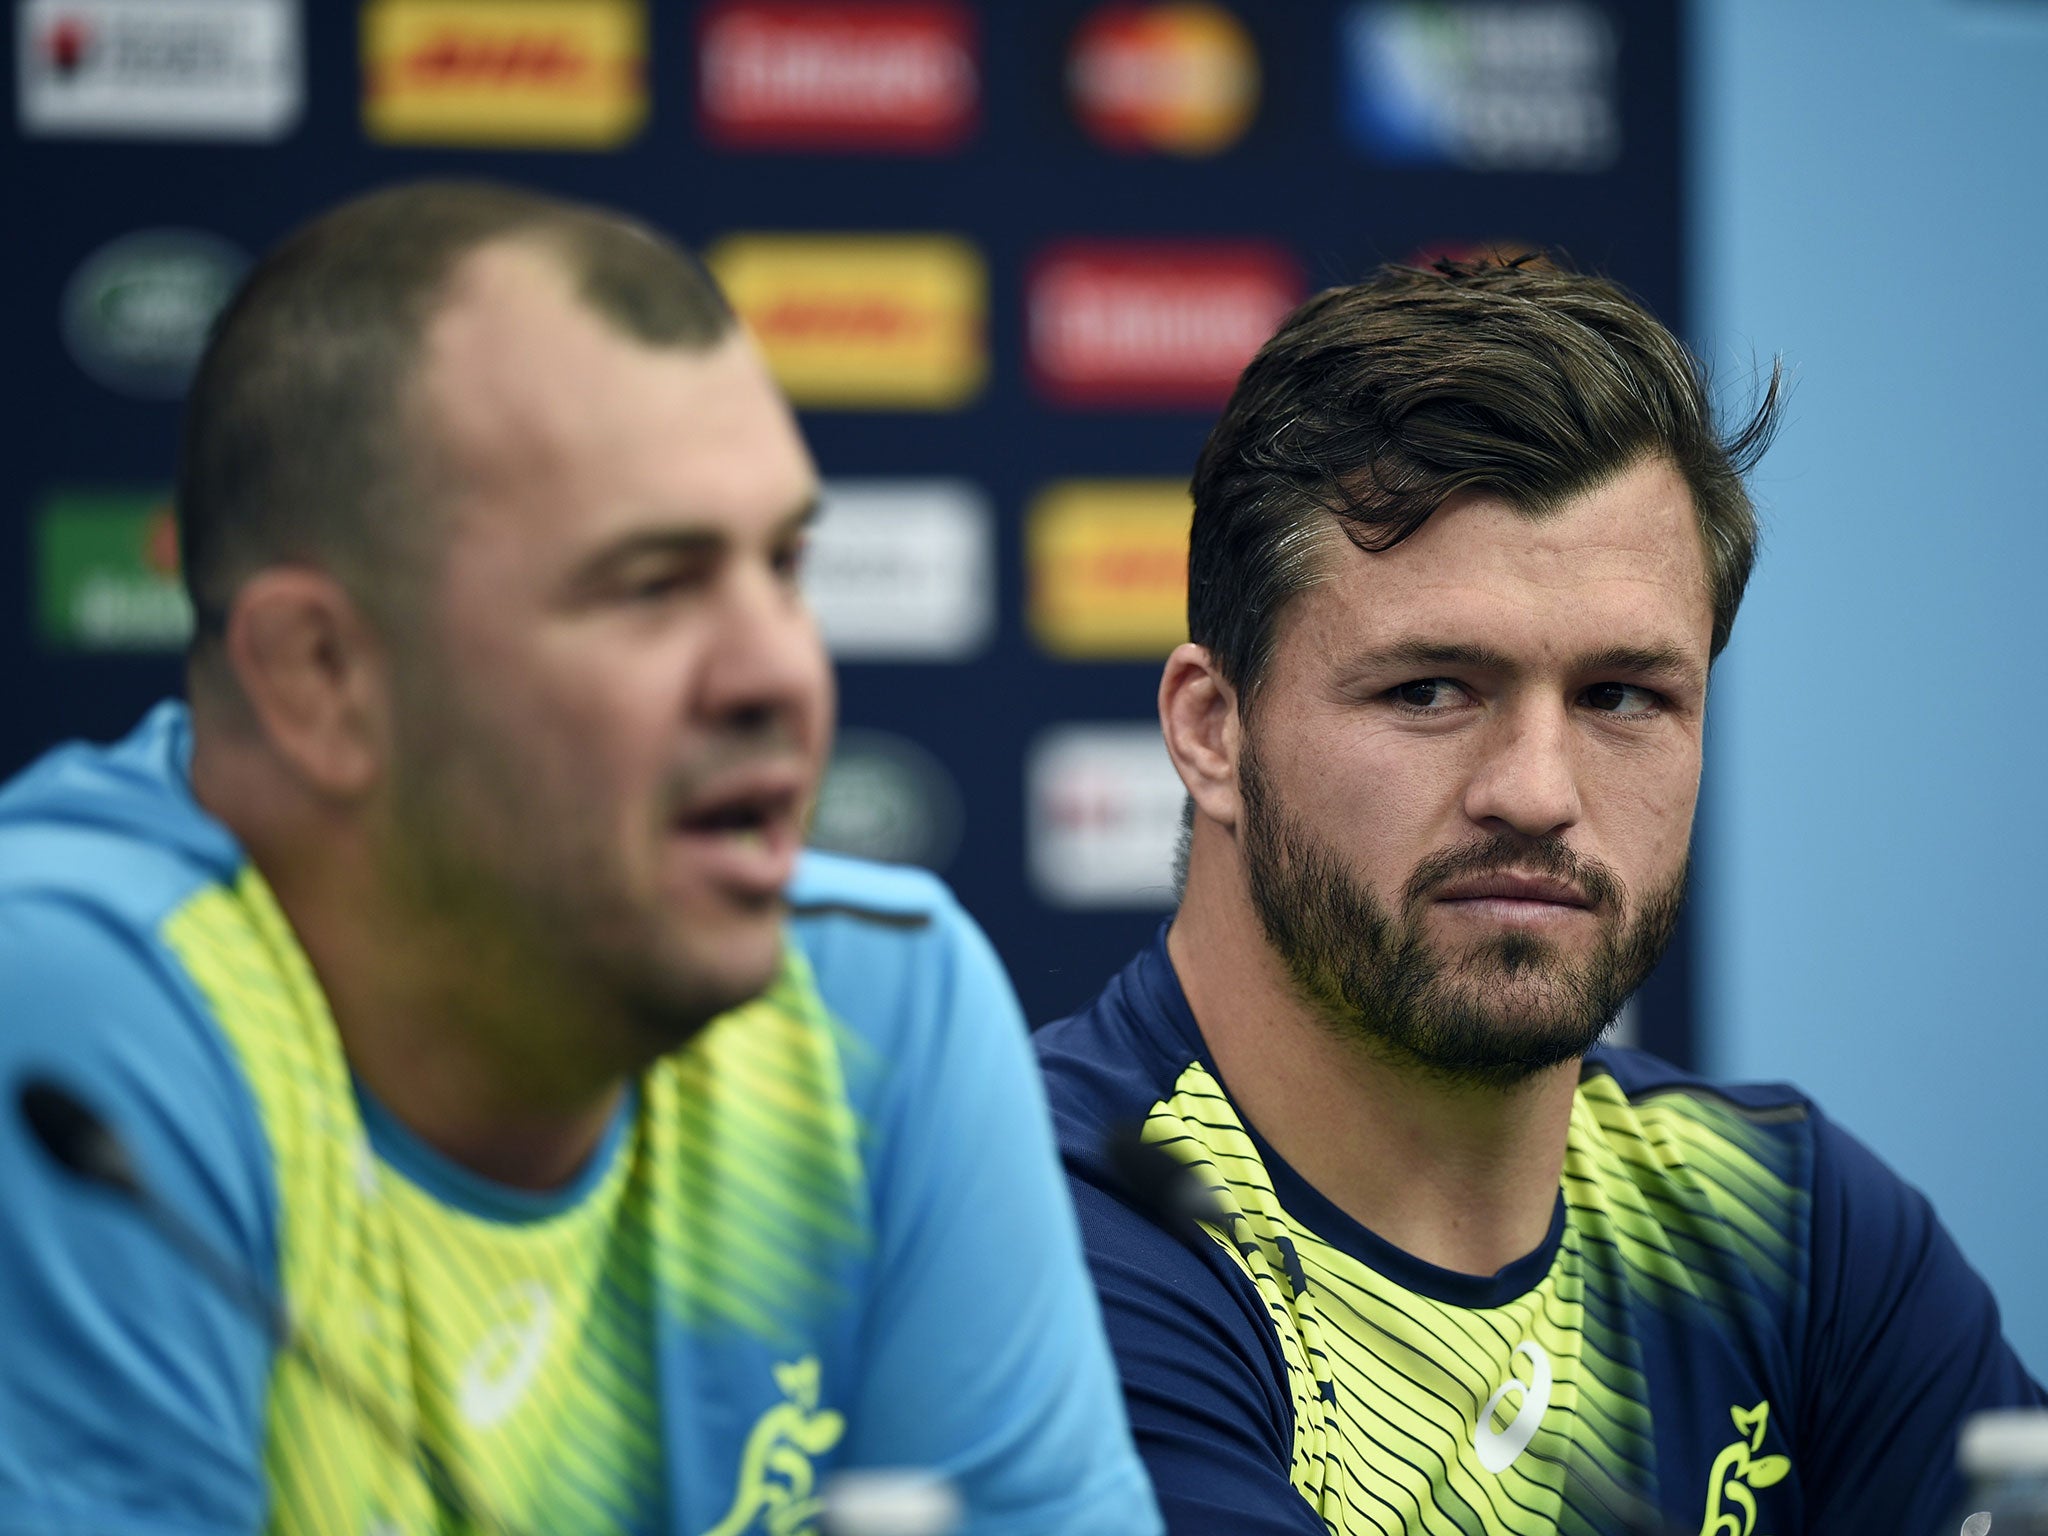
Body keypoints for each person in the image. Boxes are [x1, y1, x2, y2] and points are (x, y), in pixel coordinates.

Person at [0, 182, 1161, 1536]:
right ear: (321, 676)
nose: (778, 672)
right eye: (652, 585)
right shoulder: (74, 1026)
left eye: (783, 566)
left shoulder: (875, 996)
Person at [1034, 257, 2046, 1535]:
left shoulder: (1790, 1225)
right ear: (1210, 731)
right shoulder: (1043, 1232)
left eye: (1622, 697)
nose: (1534, 791)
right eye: (1429, 689)